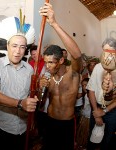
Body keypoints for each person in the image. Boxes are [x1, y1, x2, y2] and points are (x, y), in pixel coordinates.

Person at [39, 3, 82, 150]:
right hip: (49, 121)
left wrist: (54, 23)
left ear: (61, 60)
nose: (47, 66)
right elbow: (40, 103)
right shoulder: (47, 77)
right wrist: (40, 89)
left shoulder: (72, 74)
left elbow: (76, 54)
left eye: (51, 62)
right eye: (45, 62)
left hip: (66, 124)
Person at [0, 34, 38, 149]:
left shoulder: (29, 69)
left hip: (24, 125)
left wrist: (33, 118)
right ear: (7, 46)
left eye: (22, 47)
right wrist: (20, 103)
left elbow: (30, 95)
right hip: (5, 125)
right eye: (14, 46)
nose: (18, 51)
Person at [86, 37, 116, 150]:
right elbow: (91, 90)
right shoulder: (98, 67)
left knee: (108, 140)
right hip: (96, 108)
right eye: (104, 51)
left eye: (110, 52)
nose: (107, 56)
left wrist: (104, 111)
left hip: (112, 111)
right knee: (92, 139)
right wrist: (96, 111)